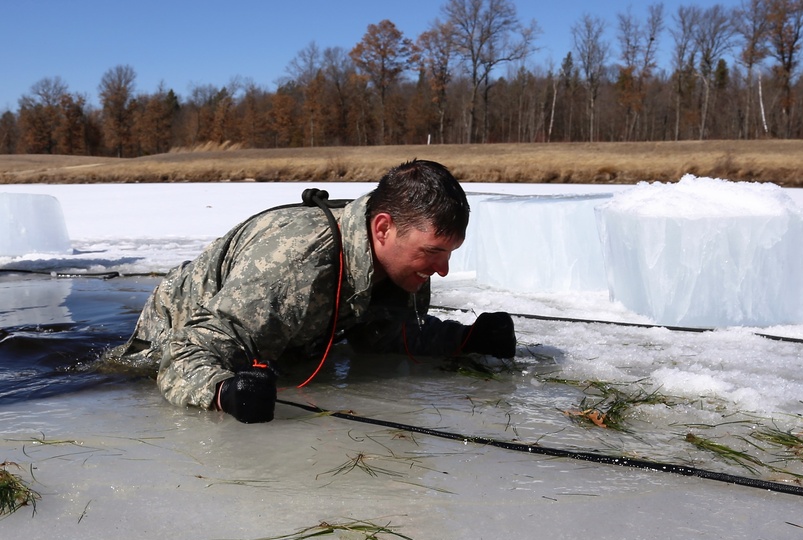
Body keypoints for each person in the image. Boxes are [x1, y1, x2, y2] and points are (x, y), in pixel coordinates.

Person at [115, 160, 516, 423]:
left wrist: (464, 337)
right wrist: (225, 392)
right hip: (169, 335)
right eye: (433, 252)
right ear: (383, 229)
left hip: (274, 338)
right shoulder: (296, 261)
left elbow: (381, 334)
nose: (442, 270)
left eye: (449, 254)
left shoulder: (400, 265)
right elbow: (185, 353)